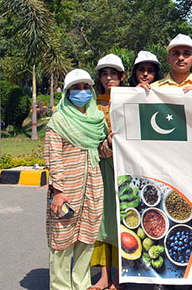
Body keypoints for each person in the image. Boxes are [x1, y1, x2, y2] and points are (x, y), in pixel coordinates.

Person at [45, 69, 111, 290]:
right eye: (76, 88)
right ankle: (61, 287)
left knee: (87, 238)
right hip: (66, 188)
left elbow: (101, 151)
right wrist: (58, 191)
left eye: (85, 88)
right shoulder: (59, 119)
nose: (82, 92)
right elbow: (53, 157)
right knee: (62, 241)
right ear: (67, 93)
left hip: (93, 184)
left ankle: (81, 284)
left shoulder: (97, 119)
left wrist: (109, 143)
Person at [89, 55, 125, 290]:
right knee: (103, 221)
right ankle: (104, 275)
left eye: (113, 73)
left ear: (122, 77)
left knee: (123, 219)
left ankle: (120, 275)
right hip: (101, 167)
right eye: (104, 74)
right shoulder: (93, 105)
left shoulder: (130, 99)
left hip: (127, 168)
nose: (109, 77)